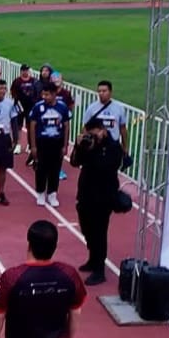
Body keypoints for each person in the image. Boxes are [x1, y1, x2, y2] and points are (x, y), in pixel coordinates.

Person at [68, 117, 124, 286]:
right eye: (89, 134)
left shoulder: (113, 147)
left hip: (103, 197)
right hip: (85, 194)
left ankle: (99, 269)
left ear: (103, 131)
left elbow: (105, 167)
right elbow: (74, 162)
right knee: (86, 228)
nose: (92, 137)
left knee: (99, 232)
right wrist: (79, 146)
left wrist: (94, 149)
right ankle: (92, 259)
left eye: (94, 134)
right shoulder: (87, 145)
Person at [28, 84, 71, 207]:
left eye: (47, 95)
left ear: (54, 94)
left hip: (57, 142)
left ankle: (52, 193)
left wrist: (65, 145)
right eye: (43, 94)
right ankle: (41, 192)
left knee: (55, 169)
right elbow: (32, 126)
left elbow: (66, 126)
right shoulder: (38, 107)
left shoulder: (62, 107)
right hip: (42, 142)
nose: (44, 97)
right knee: (41, 168)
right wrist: (33, 146)